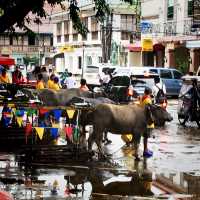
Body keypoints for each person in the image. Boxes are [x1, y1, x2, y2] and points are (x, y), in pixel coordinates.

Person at [140, 87, 154, 158]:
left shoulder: (142, 98)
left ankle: (146, 149)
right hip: (147, 120)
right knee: (146, 137)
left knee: (145, 136)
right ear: (150, 93)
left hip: (142, 119)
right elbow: (149, 111)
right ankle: (145, 151)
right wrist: (151, 120)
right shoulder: (148, 100)